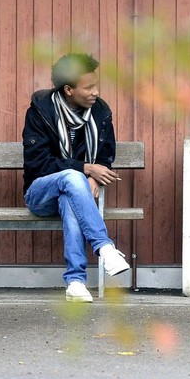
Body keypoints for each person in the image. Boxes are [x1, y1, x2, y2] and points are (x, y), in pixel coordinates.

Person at [22, 53, 130, 302]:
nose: (96, 92)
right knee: (71, 177)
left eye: (96, 85)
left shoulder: (100, 111)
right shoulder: (40, 111)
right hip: (39, 193)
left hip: (75, 194)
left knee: (72, 197)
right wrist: (85, 169)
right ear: (69, 89)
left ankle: (75, 283)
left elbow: (105, 155)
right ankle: (104, 247)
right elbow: (38, 164)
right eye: (89, 86)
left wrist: (92, 177)